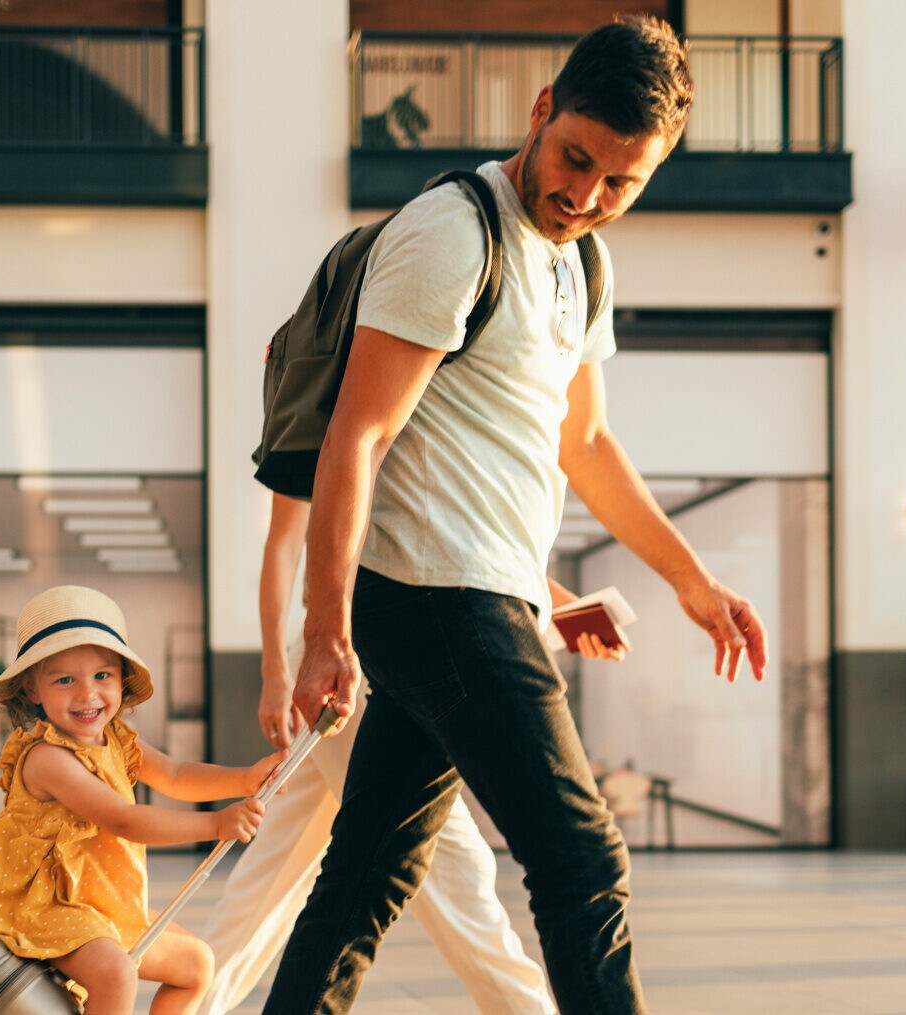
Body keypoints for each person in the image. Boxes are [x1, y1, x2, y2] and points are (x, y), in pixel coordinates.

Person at [263, 16, 768, 1015]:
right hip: (433, 602)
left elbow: (583, 447)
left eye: (618, 182)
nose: (583, 196)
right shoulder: (452, 233)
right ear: (540, 110)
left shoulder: (583, 266)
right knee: (582, 861)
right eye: (575, 158)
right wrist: (325, 630)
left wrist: (689, 580)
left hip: (481, 601)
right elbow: (355, 439)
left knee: (365, 880)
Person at [198, 493, 623, 1014]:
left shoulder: (433, 440)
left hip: (395, 657)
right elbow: (283, 545)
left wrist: (571, 612)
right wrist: (274, 673)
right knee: (455, 874)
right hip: (343, 669)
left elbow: (470, 546)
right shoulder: (331, 420)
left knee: (276, 872)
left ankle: (188, 1003)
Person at [0, 585, 284, 1015]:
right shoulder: (47, 758)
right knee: (116, 973)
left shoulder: (117, 741)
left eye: (102, 676)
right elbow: (122, 819)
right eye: (65, 679)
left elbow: (177, 777)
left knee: (197, 964)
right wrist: (215, 825)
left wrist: (247, 779)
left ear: (121, 679)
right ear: (32, 689)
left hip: (103, 906)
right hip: (52, 908)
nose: (87, 695)